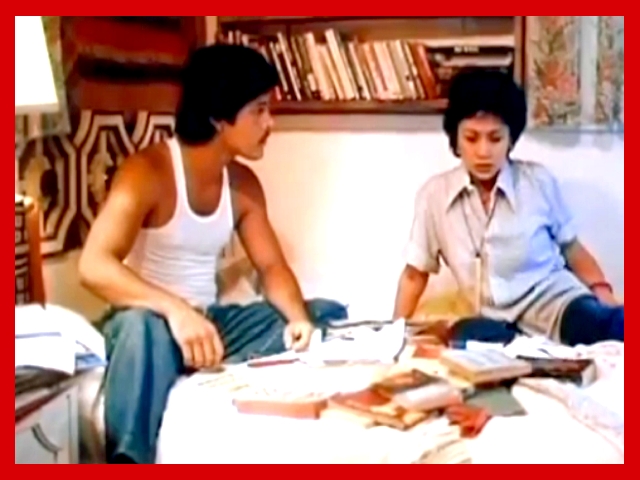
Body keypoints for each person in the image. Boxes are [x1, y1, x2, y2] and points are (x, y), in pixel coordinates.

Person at [78, 44, 347, 464]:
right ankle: (127, 459)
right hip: (149, 324)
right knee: (141, 328)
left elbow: (271, 267)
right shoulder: (147, 172)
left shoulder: (242, 184)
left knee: (324, 313)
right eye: (259, 110)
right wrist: (176, 311)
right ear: (220, 116)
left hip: (210, 324)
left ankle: (203, 355)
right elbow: (93, 266)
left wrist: (297, 318)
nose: (270, 123)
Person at [392, 69, 623, 347]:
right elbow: (415, 274)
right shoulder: (434, 196)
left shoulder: (538, 182)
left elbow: (572, 248)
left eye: (495, 138)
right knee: (465, 344)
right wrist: (392, 335)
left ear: (511, 139)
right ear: (456, 140)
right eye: (472, 138)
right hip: (489, 320)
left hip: (555, 305)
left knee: (602, 324)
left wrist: (602, 293)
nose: (483, 152)